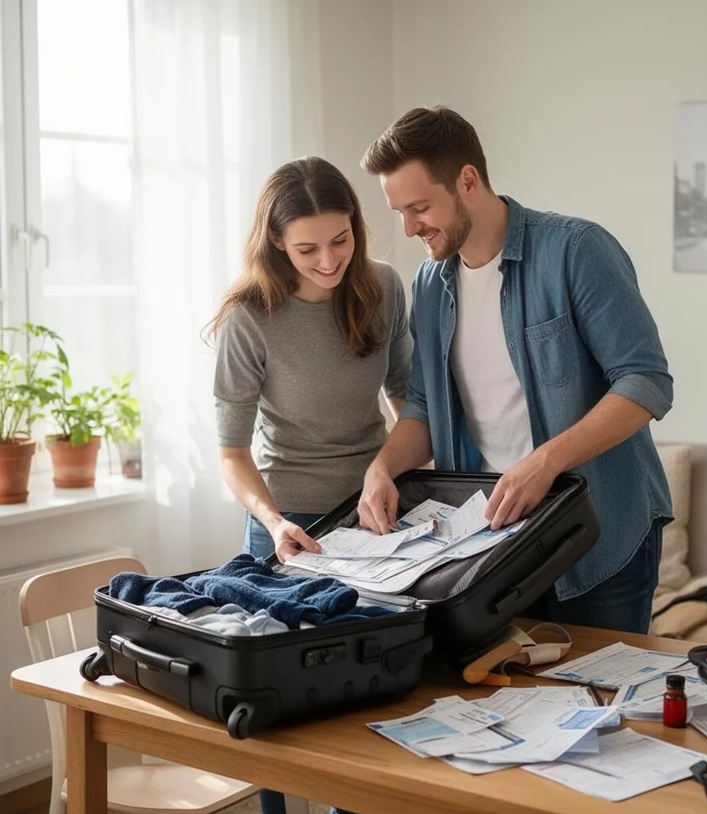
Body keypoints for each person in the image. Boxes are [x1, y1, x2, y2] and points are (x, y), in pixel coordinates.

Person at [357, 105, 674, 635]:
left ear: (468, 180)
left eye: (420, 207)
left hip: (600, 534)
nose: (410, 228)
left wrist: (545, 462)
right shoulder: (431, 286)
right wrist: (381, 469)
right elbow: (425, 407)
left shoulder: (576, 250)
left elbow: (646, 382)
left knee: (601, 707)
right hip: (495, 542)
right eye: (400, 213)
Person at [208, 156, 410, 814]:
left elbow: (411, 401)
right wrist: (272, 523)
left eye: (341, 239)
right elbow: (232, 454)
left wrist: (398, 474)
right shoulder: (249, 318)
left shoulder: (382, 287)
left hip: (372, 518)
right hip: (288, 525)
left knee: (362, 693)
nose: (329, 261)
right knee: (276, 695)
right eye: (307, 248)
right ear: (274, 241)